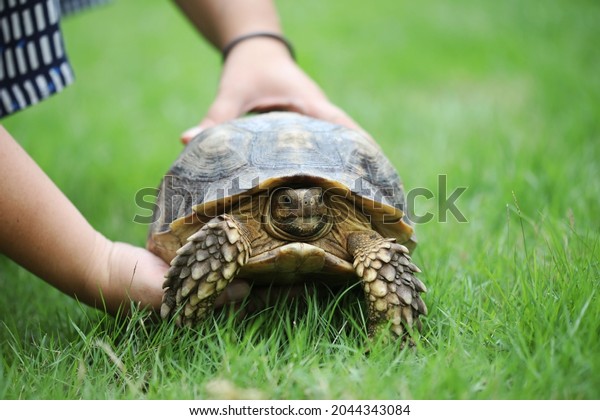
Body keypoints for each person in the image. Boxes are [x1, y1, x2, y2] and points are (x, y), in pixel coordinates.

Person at [0, 0, 364, 316]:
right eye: (286, 202)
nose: (304, 207)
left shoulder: (352, 232)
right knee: (225, 233)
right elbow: (224, 229)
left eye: (315, 201)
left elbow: (379, 246)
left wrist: (255, 41)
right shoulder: (235, 228)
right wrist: (98, 264)